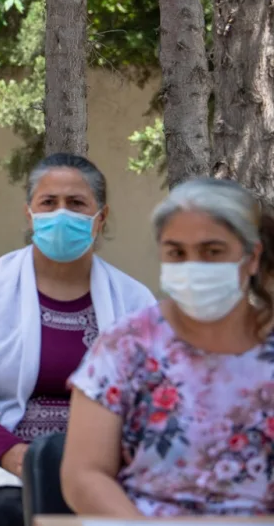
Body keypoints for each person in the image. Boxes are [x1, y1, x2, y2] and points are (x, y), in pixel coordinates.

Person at [0, 153, 156, 526]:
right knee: (8, 513)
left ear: (101, 218)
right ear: (29, 213)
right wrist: (20, 458)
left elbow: (153, 403)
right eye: (49, 203)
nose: (61, 213)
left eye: (77, 203)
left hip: (108, 468)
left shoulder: (135, 303)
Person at [63, 178, 274, 517]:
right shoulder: (125, 346)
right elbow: (84, 475)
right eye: (177, 252)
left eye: (213, 251)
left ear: (251, 258)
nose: (193, 266)